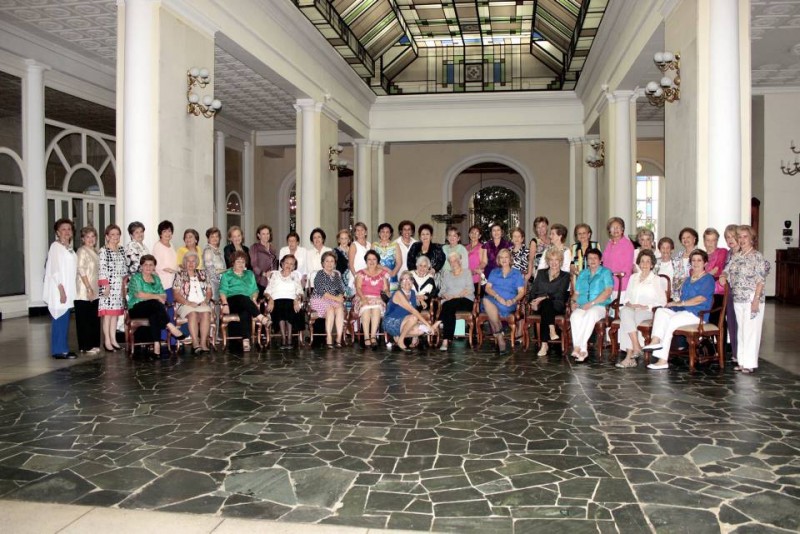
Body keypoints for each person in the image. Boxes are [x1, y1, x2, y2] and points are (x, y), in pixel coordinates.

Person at [644, 249, 716, 370]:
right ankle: (655, 340)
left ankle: (662, 360)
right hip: (684, 311)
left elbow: (701, 298)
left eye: (699, 260)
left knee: (672, 320)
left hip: (697, 315)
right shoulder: (688, 279)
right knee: (661, 311)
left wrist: (679, 303)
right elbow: (682, 299)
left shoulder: (708, 279)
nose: (696, 263)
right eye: (693, 260)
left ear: (705, 263)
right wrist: (673, 304)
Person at [720, 226, 770, 373]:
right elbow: (726, 270)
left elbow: (761, 280)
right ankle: (741, 361)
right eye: (739, 237)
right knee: (742, 330)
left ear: (751, 238)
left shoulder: (757, 256)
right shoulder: (737, 256)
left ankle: (750, 363)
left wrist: (756, 299)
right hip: (738, 298)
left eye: (745, 237)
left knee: (751, 331)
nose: (741, 240)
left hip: (751, 298)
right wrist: (723, 276)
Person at [127, 255, 188, 357]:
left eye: (151, 265)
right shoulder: (136, 278)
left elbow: (163, 295)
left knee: (154, 314)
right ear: (141, 266)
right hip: (136, 307)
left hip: (153, 308)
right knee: (155, 303)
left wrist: (157, 297)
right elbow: (139, 294)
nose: (148, 267)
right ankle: (170, 325)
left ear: (154, 267)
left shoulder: (156, 278)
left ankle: (157, 345)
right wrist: (156, 296)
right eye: (145, 264)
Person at [615, 249, 667, 368]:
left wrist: (646, 306)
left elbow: (662, 301)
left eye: (648, 261)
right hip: (632, 309)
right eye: (642, 261)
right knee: (625, 312)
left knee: (626, 320)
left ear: (652, 264)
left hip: (647, 311)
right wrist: (629, 304)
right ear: (638, 263)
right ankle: (636, 346)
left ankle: (629, 357)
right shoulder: (633, 277)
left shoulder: (656, 279)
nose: (644, 264)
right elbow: (627, 297)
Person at [219, 250, 270, 352]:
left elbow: (255, 290)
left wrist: (254, 299)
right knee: (242, 297)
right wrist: (224, 303)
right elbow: (223, 291)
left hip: (246, 302)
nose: (241, 264)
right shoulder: (226, 275)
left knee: (245, 309)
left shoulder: (249, 274)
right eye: (238, 261)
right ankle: (261, 317)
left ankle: (246, 340)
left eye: (243, 262)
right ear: (233, 262)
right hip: (232, 301)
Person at [570, 248, 614, 362]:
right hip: (583, 305)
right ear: (587, 260)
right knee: (575, 316)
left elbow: (608, 291)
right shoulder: (583, 273)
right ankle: (583, 351)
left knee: (590, 314)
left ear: (600, 260)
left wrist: (592, 303)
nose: (592, 260)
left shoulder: (605, 272)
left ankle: (578, 346)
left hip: (599, 306)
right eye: (590, 258)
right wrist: (573, 302)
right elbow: (576, 293)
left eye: (595, 258)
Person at [43, 218, 78, 359]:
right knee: (59, 318)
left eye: (69, 229)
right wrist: (61, 290)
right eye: (63, 229)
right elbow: (55, 270)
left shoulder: (68, 248)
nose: (67, 232)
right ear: (57, 232)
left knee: (65, 319)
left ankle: (63, 348)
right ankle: (58, 350)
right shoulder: (56, 247)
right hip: (59, 289)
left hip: (68, 288)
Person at [481, 248, 525, 355]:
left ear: (510, 259)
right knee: (486, 301)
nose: (504, 259)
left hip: (508, 303)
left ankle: (498, 333)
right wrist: (497, 297)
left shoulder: (516, 273)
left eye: (506, 257)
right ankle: (500, 336)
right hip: (494, 300)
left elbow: (521, 292)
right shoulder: (494, 272)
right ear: (499, 260)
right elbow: (487, 288)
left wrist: (513, 299)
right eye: (501, 257)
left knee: (490, 308)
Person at [529, 247, 571, 356]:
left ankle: (544, 345)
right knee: (545, 306)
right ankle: (551, 330)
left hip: (557, 305)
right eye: (551, 260)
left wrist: (543, 298)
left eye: (556, 260)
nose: (553, 263)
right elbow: (533, 291)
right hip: (539, 305)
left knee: (547, 304)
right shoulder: (541, 273)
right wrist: (532, 302)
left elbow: (560, 294)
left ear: (560, 261)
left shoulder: (565, 276)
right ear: (547, 261)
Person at [384, 271, 438, 352]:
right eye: (404, 279)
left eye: (409, 279)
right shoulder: (398, 293)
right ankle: (401, 340)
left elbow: (414, 298)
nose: (407, 281)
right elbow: (413, 311)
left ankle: (398, 336)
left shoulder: (412, 293)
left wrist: (420, 300)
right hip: (391, 322)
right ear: (400, 283)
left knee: (419, 331)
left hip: (403, 322)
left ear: (412, 282)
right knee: (414, 317)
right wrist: (428, 324)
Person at [173, 251, 213, 354]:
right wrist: (188, 303)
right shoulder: (180, 274)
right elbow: (176, 294)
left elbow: (209, 290)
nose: (191, 264)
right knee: (193, 313)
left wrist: (207, 300)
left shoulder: (203, 273)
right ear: (184, 263)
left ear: (197, 263)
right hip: (185, 304)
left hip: (202, 303)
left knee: (206, 313)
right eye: (188, 261)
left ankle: (203, 343)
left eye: (193, 261)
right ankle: (195, 343)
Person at [265, 254, 306, 349]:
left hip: (291, 300)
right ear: (282, 264)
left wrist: (296, 300)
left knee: (289, 307)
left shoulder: (295, 276)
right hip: (276, 301)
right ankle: (283, 338)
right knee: (280, 307)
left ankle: (290, 338)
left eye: (292, 264)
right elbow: (267, 291)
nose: (288, 265)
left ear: (294, 267)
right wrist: (270, 300)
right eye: (286, 262)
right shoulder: (275, 275)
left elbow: (300, 291)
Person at [438, 251, 475, 351]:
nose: (453, 263)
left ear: (460, 261)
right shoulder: (447, 275)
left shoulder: (467, 272)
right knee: (449, 306)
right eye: (451, 261)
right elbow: (441, 291)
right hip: (450, 303)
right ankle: (446, 339)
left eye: (455, 260)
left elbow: (470, 289)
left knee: (448, 305)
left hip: (466, 300)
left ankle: (439, 324)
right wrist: (444, 295)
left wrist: (454, 296)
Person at [98, 224, 126, 352]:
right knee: (107, 315)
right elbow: (102, 269)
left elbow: (124, 268)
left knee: (115, 315)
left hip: (118, 286)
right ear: (107, 236)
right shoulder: (103, 250)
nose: (115, 237)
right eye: (112, 234)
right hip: (108, 286)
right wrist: (106, 285)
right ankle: (107, 341)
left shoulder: (121, 250)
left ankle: (114, 339)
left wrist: (124, 285)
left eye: (117, 234)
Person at [310, 251, 346, 348]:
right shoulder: (320, 274)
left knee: (339, 308)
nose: (329, 263)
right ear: (323, 263)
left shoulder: (337, 275)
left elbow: (341, 289)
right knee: (329, 308)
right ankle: (329, 337)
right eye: (327, 261)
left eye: (332, 261)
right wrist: (337, 299)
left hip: (333, 300)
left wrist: (340, 296)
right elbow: (322, 292)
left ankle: (338, 338)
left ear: (335, 264)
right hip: (319, 299)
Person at [354, 249, 389, 349]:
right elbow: (358, 288)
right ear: (366, 261)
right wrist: (363, 298)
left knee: (376, 308)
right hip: (362, 297)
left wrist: (386, 294)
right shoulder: (361, 273)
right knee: (366, 309)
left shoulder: (383, 274)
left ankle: (373, 336)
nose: (372, 261)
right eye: (369, 259)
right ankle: (366, 336)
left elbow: (386, 289)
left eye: (374, 259)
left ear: (377, 261)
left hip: (377, 298)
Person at [75, 226, 101, 354]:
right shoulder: (82, 251)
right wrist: (88, 288)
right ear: (82, 239)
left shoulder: (95, 251)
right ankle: (85, 345)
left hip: (95, 290)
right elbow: (81, 269)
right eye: (87, 237)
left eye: (93, 236)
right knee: (84, 319)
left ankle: (93, 343)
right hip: (84, 290)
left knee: (93, 318)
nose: (90, 239)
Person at [602, 217, 635, 302]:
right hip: (608, 283)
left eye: (618, 227)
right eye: (613, 227)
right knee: (610, 312)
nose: (615, 230)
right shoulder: (609, 244)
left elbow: (628, 267)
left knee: (620, 311)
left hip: (621, 283)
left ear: (622, 229)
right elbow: (605, 263)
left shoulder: (627, 244)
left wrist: (615, 275)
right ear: (609, 231)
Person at [721, 224, 741, 360]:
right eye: (727, 237)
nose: (730, 240)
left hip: (741, 293)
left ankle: (743, 353)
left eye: (733, 236)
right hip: (730, 293)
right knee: (732, 323)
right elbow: (726, 270)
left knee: (742, 324)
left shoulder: (744, 253)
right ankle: (735, 353)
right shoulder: (728, 254)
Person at [152, 220, 179, 305]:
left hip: (172, 281)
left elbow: (174, 262)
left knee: (172, 307)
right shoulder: (158, 246)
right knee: (166, 307)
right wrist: (176, 272)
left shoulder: (171, 244)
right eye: (165, 231)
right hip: (163, 283)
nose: (167, 233)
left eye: (169, 231)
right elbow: (159, 266)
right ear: (160, 233)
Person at [250, 224, 278, 294]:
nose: (266, 236)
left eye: (268, 233)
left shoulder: (272, 248)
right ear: (259, 235)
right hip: (259, 280)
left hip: (272, 281)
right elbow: (254, 265)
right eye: (263, 234)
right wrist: (264, 274)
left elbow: (274, 264)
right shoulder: (255, 247)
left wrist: (273, 274)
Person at [671, 227, 698, 300]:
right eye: (683, 238)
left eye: (688, 237)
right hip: (677, 292)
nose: (685, 240)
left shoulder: (699, 254)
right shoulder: (678, 255)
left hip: (693, 291)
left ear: (694, 239)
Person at [373, 223, 401, 290]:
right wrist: (385, 269)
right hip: (377, 276)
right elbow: (372, 262)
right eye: (382, 232)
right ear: (379, 233)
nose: (384, 234)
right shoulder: (374, 245)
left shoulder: (395, 245)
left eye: (387, 232)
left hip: (392, 276)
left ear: (390, 234)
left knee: (392, 298)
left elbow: (399, 262)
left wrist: (393, 273)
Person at [203, 226, 226, 301]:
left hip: (219, 282)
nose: (215, 238)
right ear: (208, 239)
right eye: (212, 236)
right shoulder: (208, 251)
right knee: (213, 306)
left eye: (217, 236)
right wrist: (226, 271)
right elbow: (210, 271)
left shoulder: (218, 250)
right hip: (211, 284)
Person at [348, 222, 371, 292]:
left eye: (362, 230)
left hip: (368, 276)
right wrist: (356, 277)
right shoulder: (354, 245)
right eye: (357, 230)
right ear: (355, 233)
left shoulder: (369, 245)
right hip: (356, 276)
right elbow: (351, 264)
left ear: (366, 232)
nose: (360, 232)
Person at [466, 225, 484, 293]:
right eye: (472, 232)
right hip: (466, 279)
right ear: (469, 234)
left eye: (476, 233)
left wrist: (474, 271)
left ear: (479, 236)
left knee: (475, 301)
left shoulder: (482, 247)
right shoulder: (465, 248)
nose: (474, 234)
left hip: (477, 279)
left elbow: (483, 263)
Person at [334, 229, 352, 293]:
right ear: (339, 240)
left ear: (349, 240)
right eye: (341, 238)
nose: (344, 241)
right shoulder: (335, 251)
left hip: (352, 280)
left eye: (345, 238)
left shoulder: (353, 250)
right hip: (340, 281)